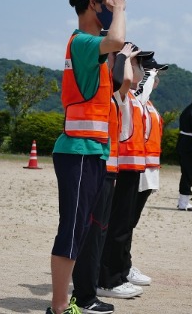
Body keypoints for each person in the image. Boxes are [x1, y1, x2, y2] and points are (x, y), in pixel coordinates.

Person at [46, 0, 127, 314]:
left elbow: (119, 77)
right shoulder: (81, 42)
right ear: (93, 2)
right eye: (108, 2)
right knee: (72, 228)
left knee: (83, 229)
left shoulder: (92, 47)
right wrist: (119, 12)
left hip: (90, 150)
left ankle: (75, 299)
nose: (114, 8)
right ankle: (59, 307)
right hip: (77, 151)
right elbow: (118, 40)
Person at [71, 43, 137, 314]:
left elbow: (128, 79)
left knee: (97, 234)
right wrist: (119, 55)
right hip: (96, 168)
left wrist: (123, 57)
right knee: (89, 234)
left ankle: (88, 292)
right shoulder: (100, 90)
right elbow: (123, 78)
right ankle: (84, 295)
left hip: (108, 170)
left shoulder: (113, 97)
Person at [97, 46, 156, 298]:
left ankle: (119, 274)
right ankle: (108, 279)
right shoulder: (117, 93)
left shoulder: (133, 98)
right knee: (117, 226)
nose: (139, 68)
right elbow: (125, 80)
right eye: (136, 63)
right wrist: (123, 56)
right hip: (120, 167)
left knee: (123, 225)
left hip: (133, 166)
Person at [127, 57, 168, 286]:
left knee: (130, 222)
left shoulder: (147, 102)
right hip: (136, 167)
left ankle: (122, 262)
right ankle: (117, 264)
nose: (156, 76)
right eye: (152, 71)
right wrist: (147, 78)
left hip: (147, 170)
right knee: (123, 222)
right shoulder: (136, 98)